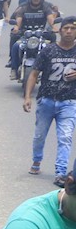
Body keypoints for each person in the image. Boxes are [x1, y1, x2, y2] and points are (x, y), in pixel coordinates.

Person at [24, 15, 76, 186]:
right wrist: (27, 97)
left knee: (65, 137)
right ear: (60, 31)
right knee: (39, 135)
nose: (69, 31)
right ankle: (36, 161)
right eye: (66, 28)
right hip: (46, 100)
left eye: (72, 29)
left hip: (69, 102)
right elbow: (33, 73)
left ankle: (60, 173)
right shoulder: (48, 50)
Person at [9, 0, 59, 80]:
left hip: (41, 35)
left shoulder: (45, 7)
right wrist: (16, 28)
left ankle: (52, 64)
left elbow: (51, 19)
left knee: (52, 39)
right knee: (15, 45)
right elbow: (18, 20)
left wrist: (54, 27)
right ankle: (13, 67)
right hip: (25, 34)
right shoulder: (23, 7)